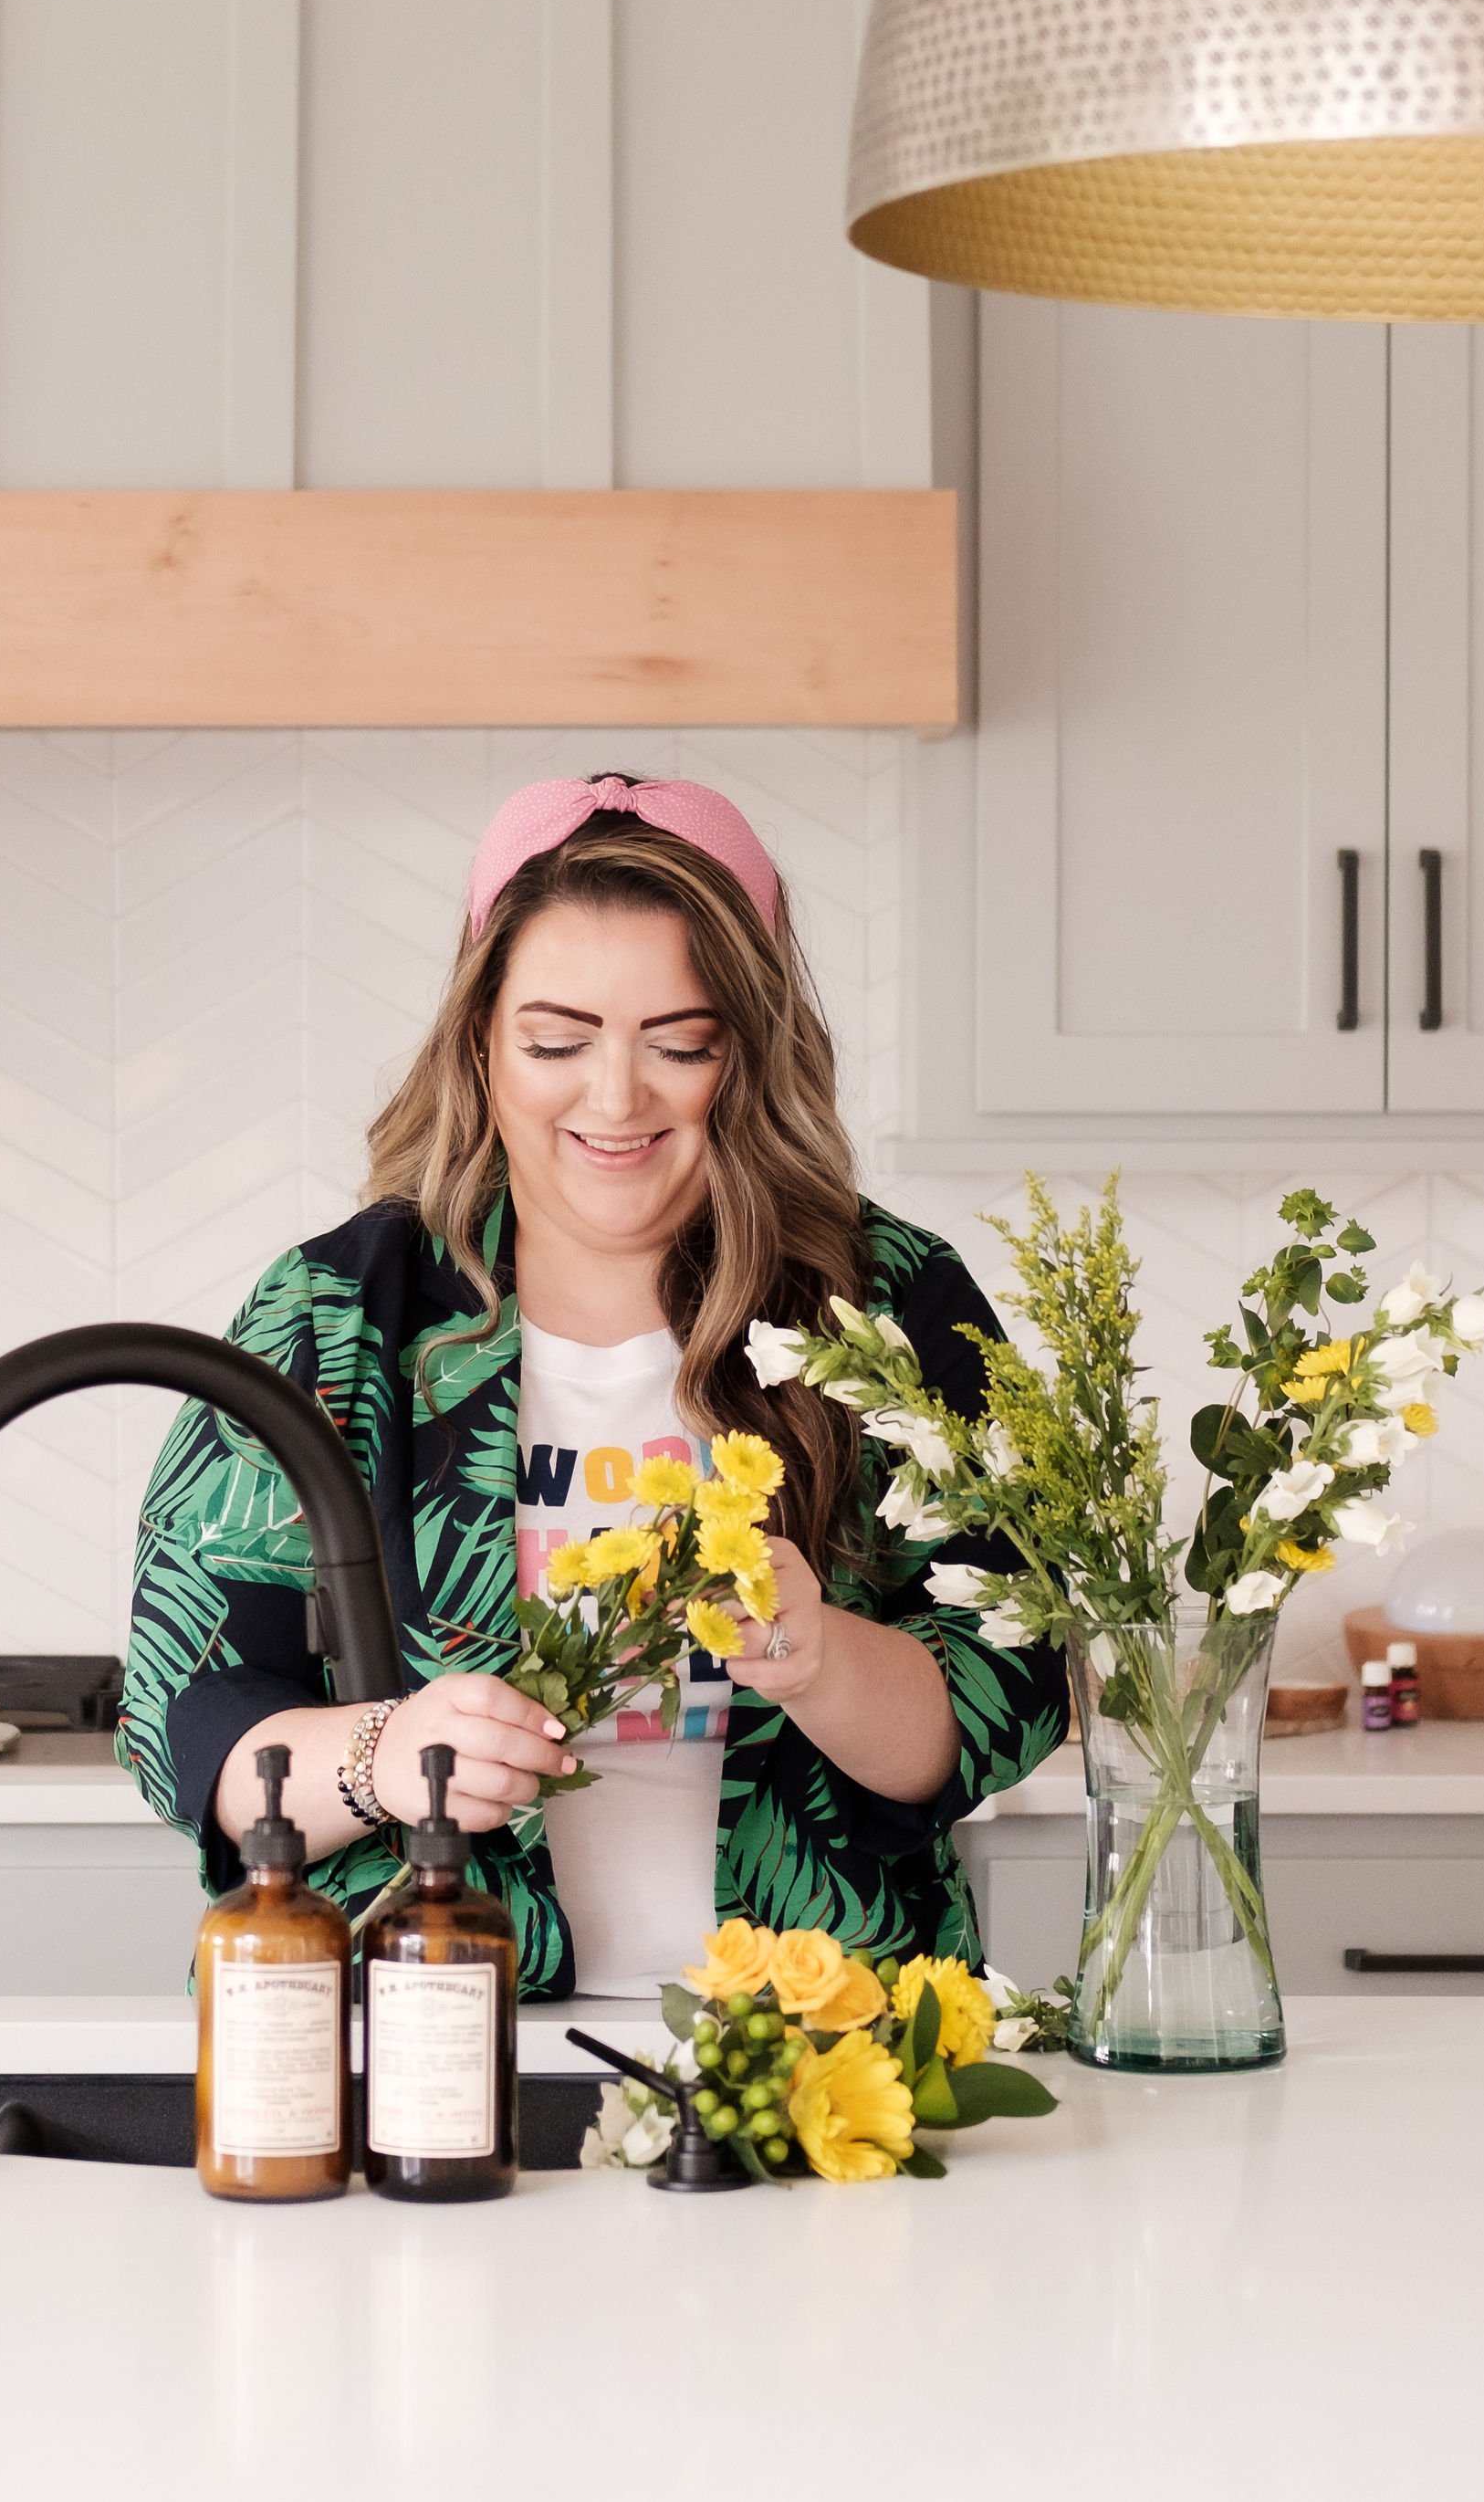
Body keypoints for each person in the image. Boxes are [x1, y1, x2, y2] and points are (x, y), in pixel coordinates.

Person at [120, 773, 1064, 1998]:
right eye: (558, 1041)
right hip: (421, 2047)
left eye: (681, 1044)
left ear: (753, 1051)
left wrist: (820, 1657)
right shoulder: (336, 1319)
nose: (615, 1098)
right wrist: (387, 1755)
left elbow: (1013, 1687)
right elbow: (181, 1724)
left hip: (815, 2053)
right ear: (480, 1042)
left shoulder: (886, 1305)